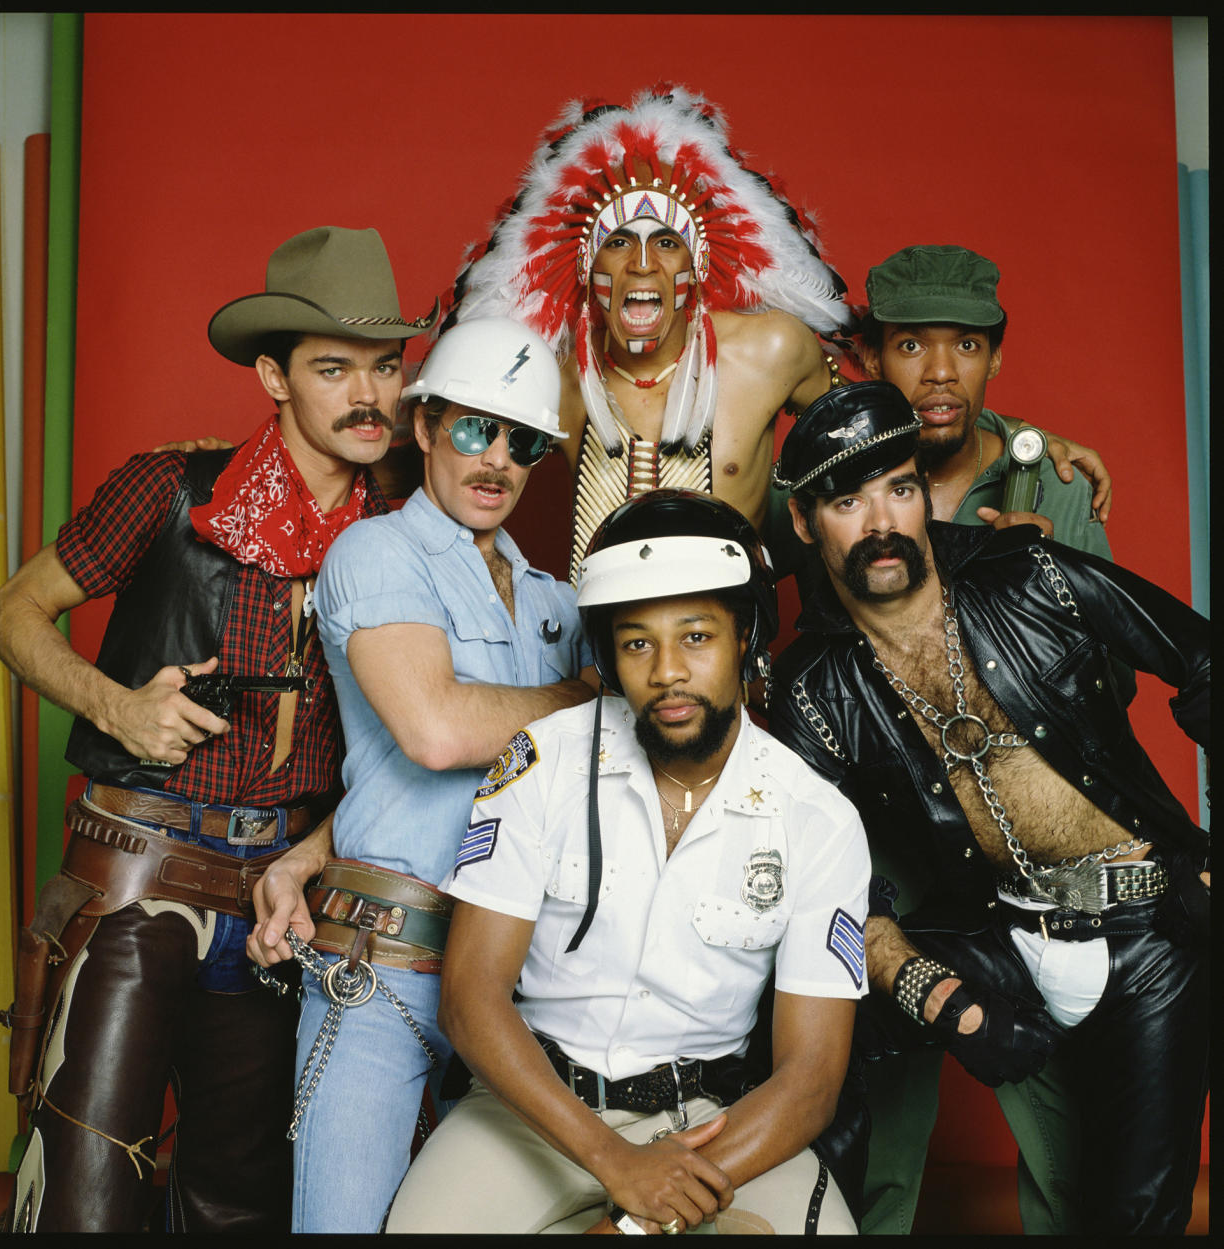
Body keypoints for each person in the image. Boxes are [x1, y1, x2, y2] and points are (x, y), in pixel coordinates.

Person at [0, 225, 436, 1232]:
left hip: (289, 892)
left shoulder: (408, 529)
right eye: (335, 369)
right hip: (141, 867)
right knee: (84, 1185)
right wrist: (115, 704)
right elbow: (13, 608)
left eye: (384, 367)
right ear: (274, 376)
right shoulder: (172, 489)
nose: (369, 397)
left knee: (243, 1200)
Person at [766, 380, 1210, 1236]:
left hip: (1150, 929)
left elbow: (1202, 661)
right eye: (848, 500)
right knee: (815, 1000)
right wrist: (941, 998)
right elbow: (818, 891)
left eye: (899, 488)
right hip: (1005, 929)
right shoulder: (816, 688)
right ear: (803, 521)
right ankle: (820, 1223)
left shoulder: (1033, 578)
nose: (883, 521)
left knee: (1132, 1215)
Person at [385, 489, 871, 1236]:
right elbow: (469, 999)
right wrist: (619, 1166)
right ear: (610, 654)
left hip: (714, 1124)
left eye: (697, 636)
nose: (668, 670)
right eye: (638, 642)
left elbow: (811, 1079)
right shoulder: (543, 760)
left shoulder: (819, 819)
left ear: (745, 636)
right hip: (532, 1107)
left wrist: (643, 1218)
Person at [244, 315, 595, 1233]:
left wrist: (312, 845)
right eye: (476, 427)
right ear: (427, 424)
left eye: (522, 441)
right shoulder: (377, 553)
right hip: (387, 960)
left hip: (525, 976)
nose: (497, 460)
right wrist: (597, 701)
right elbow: (434, 731)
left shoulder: (560, 603)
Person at [446, 84, 856, 581]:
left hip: (730, 643)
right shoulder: (553, 372)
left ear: (698, 263)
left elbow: (863, 457)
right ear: (587, 266)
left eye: (666, 242)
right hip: (595, 651)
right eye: (618, 243)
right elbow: (446, 450)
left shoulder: (773, 349)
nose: (642, 265)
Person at [855, 243, 1113, 548]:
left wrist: (1040, 576)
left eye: (966, 346)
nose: (940, 372)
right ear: (872, 359)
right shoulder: (827, 477)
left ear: (994, 359)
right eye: (911, 345)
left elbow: (1097, 597)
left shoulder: (1059, 485)